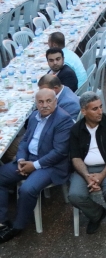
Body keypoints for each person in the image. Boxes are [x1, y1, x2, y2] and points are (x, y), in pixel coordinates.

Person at [0, 89, 72, 243]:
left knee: (27, 189)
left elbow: (59, 152)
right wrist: (20, 160)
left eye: (48, 101)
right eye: (40, 102)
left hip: (51, 165)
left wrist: (34, 165)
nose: (44, 105)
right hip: (29, 159)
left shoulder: (63, 120)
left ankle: (17, 227)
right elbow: (25, 141)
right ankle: (2, 221)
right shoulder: (34, 116)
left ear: (55, 101)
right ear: (36, 103)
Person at [68, 92, 106, 234]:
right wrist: (87, 176)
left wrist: (101, 175)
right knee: (74, 195)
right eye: (95, 109)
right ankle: (96, 214)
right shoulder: (76, 130)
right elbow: (75, 157)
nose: (100, 111)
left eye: (100, 107)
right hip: (85, 168)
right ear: (83, 111)